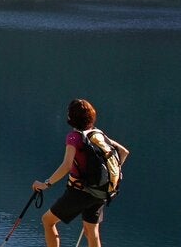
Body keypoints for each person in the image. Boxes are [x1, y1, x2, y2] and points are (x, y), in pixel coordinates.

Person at [31, 99, 129, 247]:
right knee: (91, 231)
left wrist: (46, 184)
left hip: (80, 191)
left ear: (71, 118)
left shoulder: (74, 138)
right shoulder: (97, 134)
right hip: (102, 191)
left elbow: (66, 166)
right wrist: (106, 174)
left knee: (48, 221)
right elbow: (123, 152)